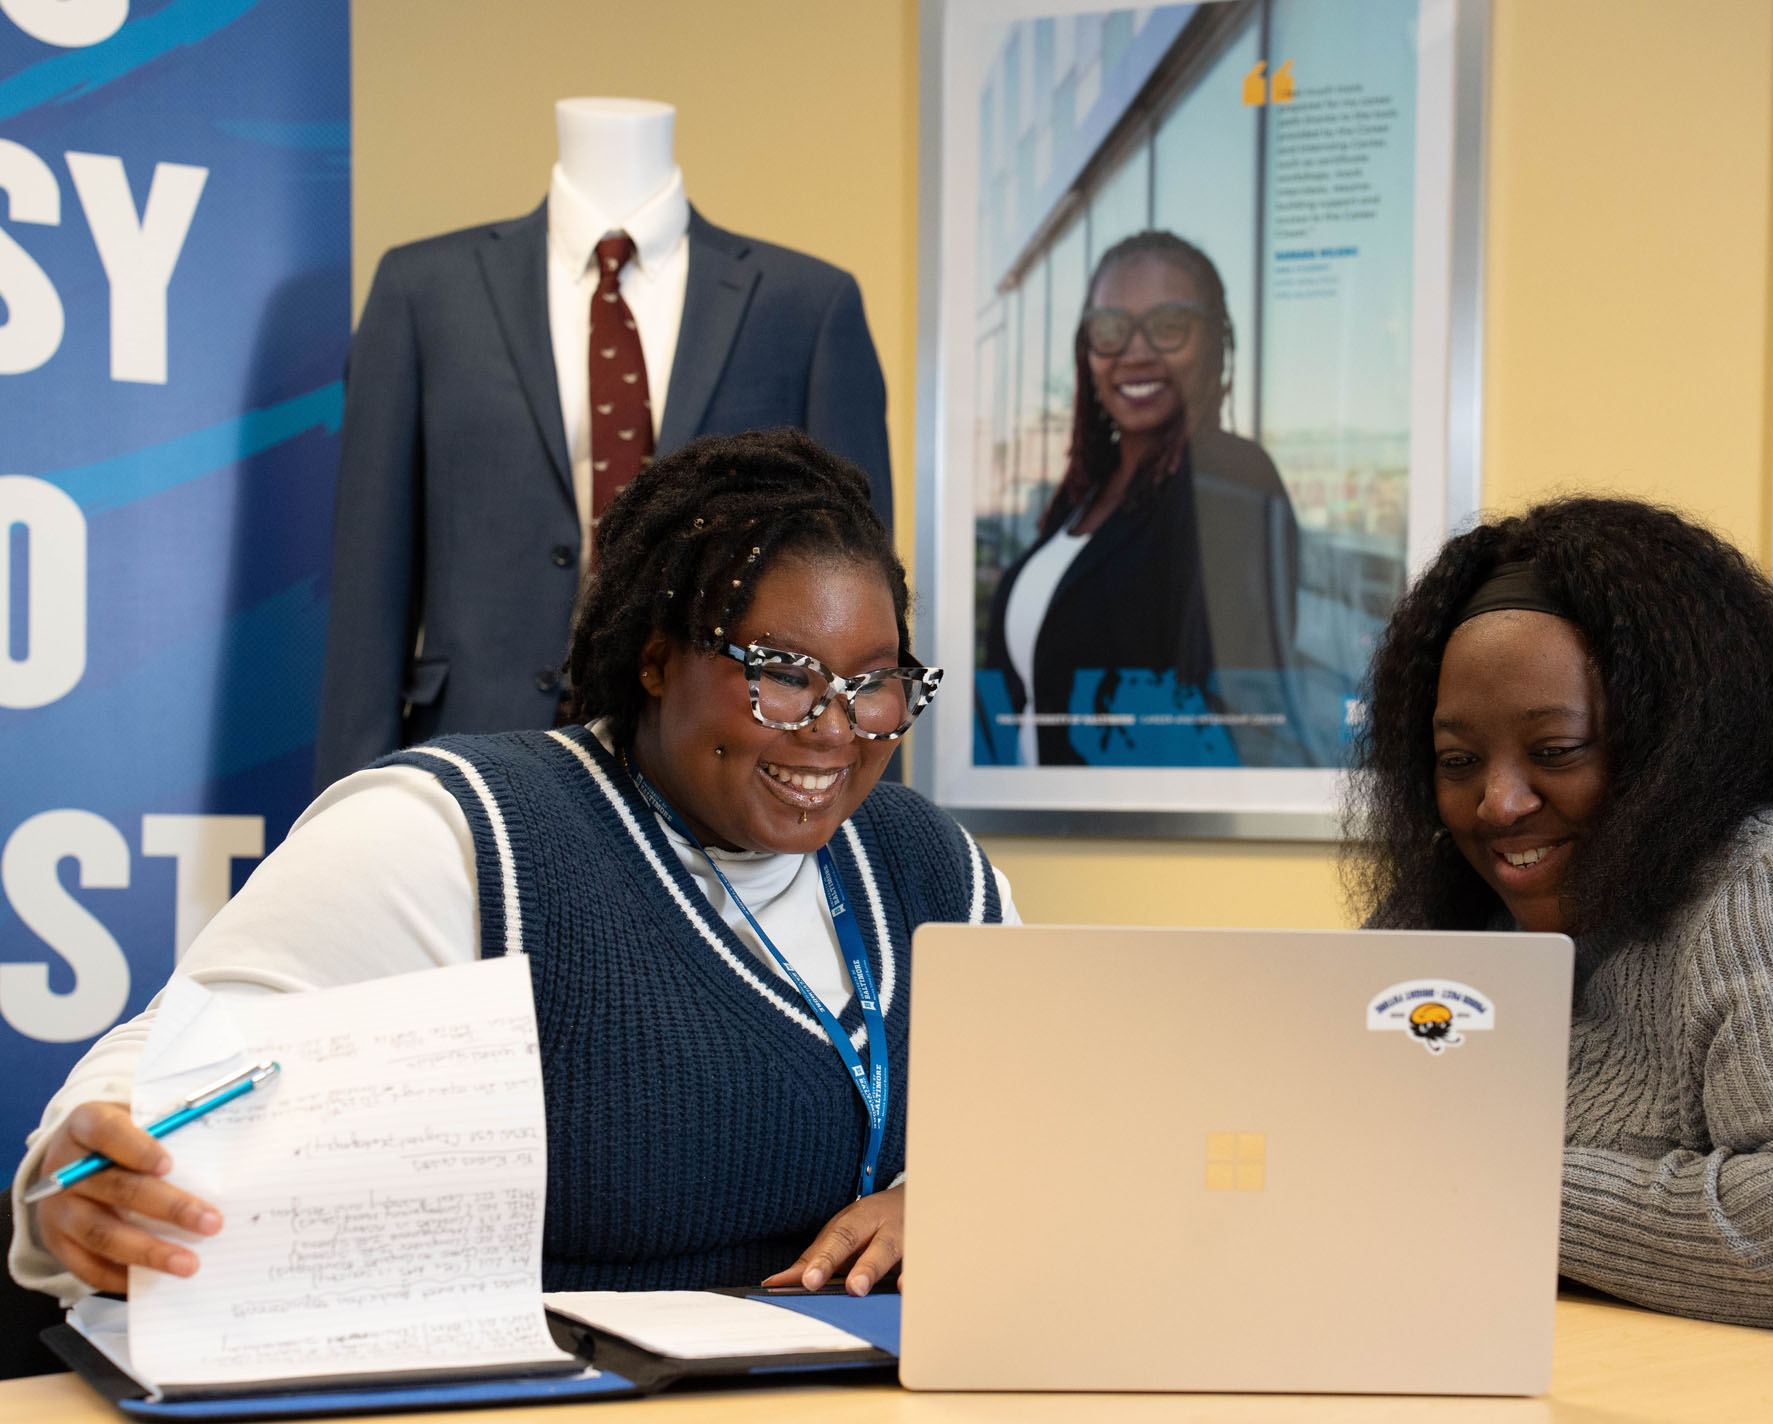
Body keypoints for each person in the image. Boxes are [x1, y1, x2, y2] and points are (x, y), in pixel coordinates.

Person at [9, 429, 1017, 1304]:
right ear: (656, 659)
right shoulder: (462, 830)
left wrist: (953, 1204)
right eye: (782, 677)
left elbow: (1054, 1132)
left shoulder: (932, 870)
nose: (833, 731)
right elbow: (180, 1057)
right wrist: (82, 1178)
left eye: (872, 684)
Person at [1356, 495, 1773, 1341]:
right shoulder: (1449, 921)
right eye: (1457, 761)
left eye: (1556, 751)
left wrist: (1472, 1182)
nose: (1497, 803)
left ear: (1680, 738)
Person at [983, 230, 1301, 767]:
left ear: (1215, 341)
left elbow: (1232, 711)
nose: (1135, 352)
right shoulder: (1086, 496)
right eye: (1109, 329)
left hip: (1129, 837)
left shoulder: (1229, 477)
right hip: (1042, 825)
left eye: (1169, 326)